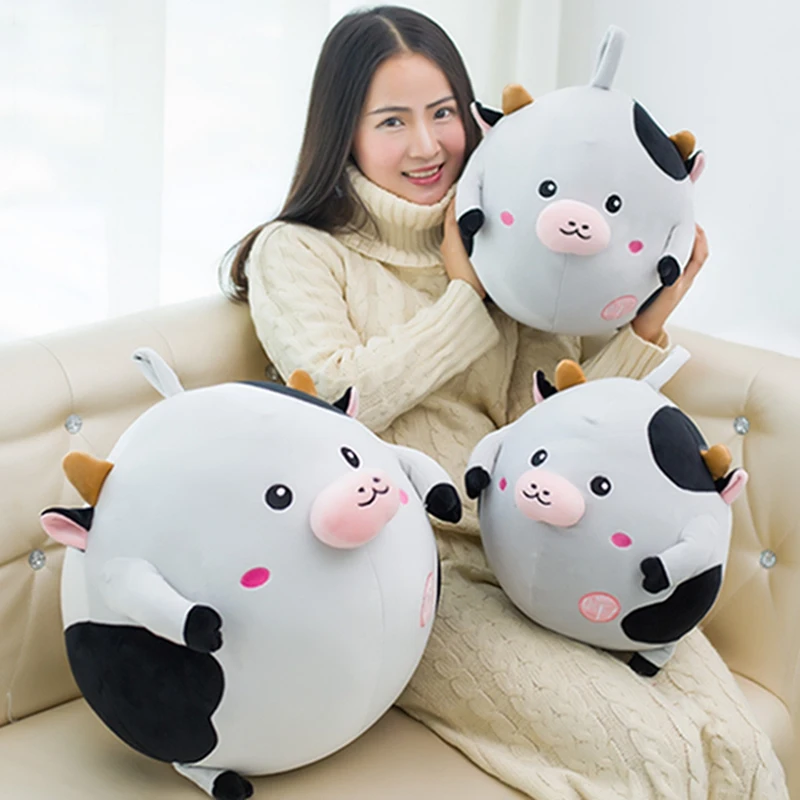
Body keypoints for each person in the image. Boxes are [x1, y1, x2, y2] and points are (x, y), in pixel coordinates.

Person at [222, 6, 787, 798]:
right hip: (419, 569)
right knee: (646, 753)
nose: (428, 145)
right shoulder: (299, 252)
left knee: (735, 740)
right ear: (342, 132)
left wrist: (646, 325)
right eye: (392, 121)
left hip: (554, 539)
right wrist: (466, 298)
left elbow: (555, 430)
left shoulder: (513, 241)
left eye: (443, 112)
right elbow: (335, 404)